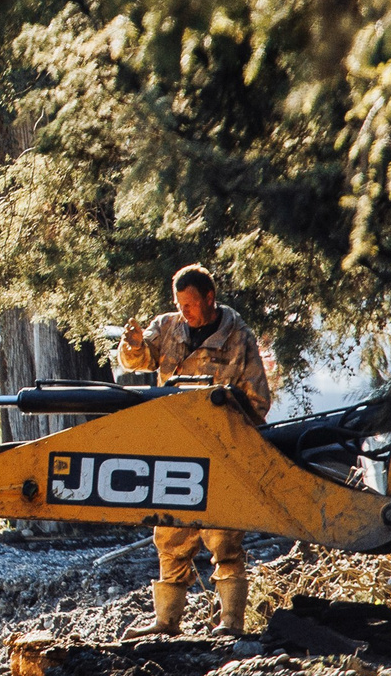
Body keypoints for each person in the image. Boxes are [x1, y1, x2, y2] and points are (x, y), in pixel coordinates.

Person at [118, 264, 275, 638]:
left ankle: (231, 622)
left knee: (224, 537)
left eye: (190, 303)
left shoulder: (238, 337)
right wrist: (135, 345)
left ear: (209, 298)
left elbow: (258, 400)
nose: (184, 311)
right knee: (170, 532)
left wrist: (225, 409)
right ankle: (166, 620)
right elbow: (137, 361)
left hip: (221, 452)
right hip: (175, 447)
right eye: (179, 303)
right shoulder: (169, 326)